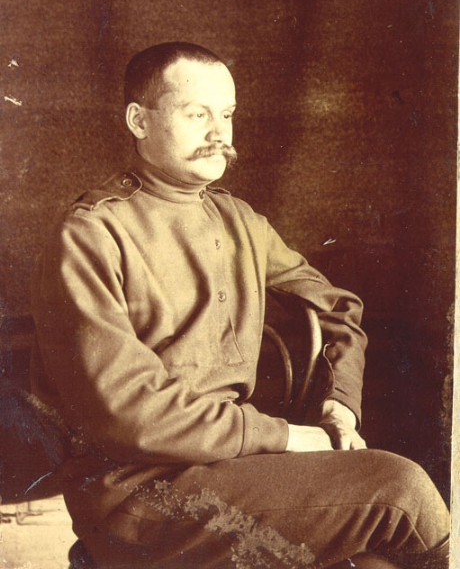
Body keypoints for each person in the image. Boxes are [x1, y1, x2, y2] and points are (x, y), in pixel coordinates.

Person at [31, 43, 450, 569]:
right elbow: (130, 410)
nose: (219, 134)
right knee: (402, 492)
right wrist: (288, 437)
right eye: (197, 115)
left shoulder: (240, 221)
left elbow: (337, 309)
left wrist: (339, 405)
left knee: (375, 561)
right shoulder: (90, 234)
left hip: (230, 469)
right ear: (139, 121)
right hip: (138, 496)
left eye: (226, 114)